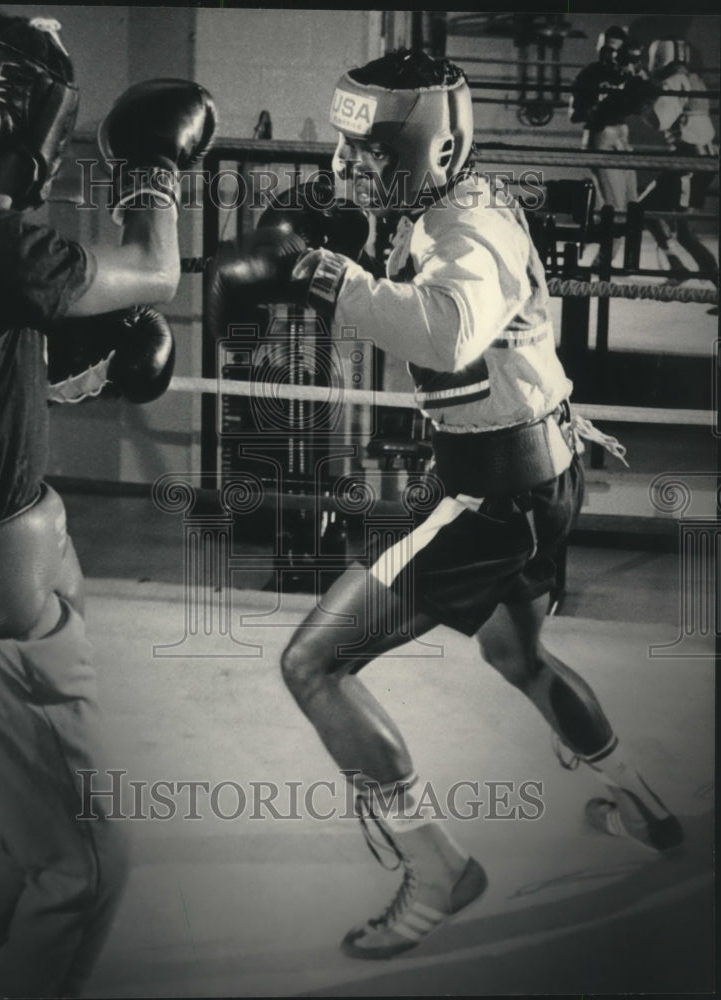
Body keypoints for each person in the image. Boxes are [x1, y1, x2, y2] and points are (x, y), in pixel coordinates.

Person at [210, 48, 683, 961]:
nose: (346, 170)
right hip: (542, 470)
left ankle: (436, 868)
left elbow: (448, 328)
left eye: (367, 153)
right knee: (520, 654)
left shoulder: (469, 231)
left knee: (313, 664)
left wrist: (318, 271)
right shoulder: (445, 198)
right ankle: (647, 810)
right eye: (345, 151)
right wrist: (328, 234)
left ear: (431, 149)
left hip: (492, 489)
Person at [0, 13, 215, 997]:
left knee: (19, 844)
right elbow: (153, 270)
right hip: (0, 610)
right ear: (28, 130)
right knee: (81, 869)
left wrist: (43, 376)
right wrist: (151, 170)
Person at [639, 39, 719, 310]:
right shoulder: (692, 78)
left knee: (681, 229)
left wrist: (640, 101)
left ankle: (692, 273)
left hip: (689, 159)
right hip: (699, 158)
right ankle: (675, 265)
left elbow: (659, 119)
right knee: (645, 208)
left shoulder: (673, 82)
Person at [569, 25, 641, 248]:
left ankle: (599, 262)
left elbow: (639, 107)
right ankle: (599, 269)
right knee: (615, 209)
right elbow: (574, 115)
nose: (610, 55)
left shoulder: (627, 74)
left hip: (622, 137)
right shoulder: (590, 75)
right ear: (600, 48)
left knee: (632, 206)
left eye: (615, 51)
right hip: (600, 136)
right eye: (606, 50)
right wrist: (595, 106)